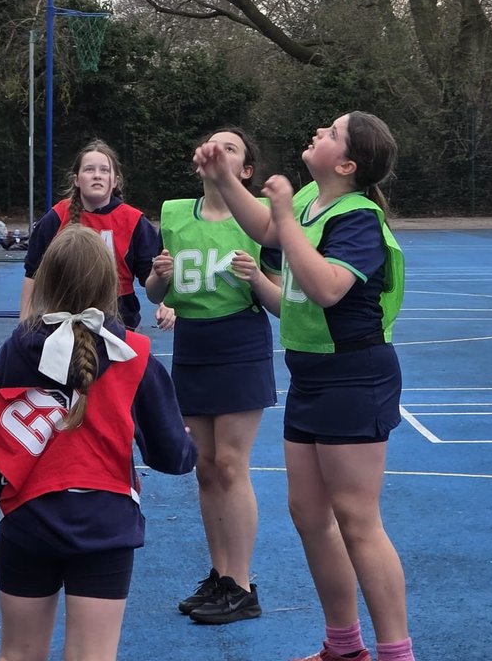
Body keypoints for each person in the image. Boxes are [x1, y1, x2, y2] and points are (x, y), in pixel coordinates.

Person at [194, 111, 414, 661]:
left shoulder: (358, 217)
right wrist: (224, 179)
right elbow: (266, 230)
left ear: (347, 164)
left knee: (358, 520)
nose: (318, 132)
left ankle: (397, 653)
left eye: (332, 133)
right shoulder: (315, 199)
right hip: (312, 375)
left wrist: (285, 213)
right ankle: (344, 647)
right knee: (310, 516)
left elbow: (326, 288)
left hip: (355, 376)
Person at [0, 224, 196, 661]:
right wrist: (188, 445)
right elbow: (172, 456)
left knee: (18, 653)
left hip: (29, 517)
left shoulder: (17, 348)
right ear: (111, 284)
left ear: (46, 281)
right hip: (105, 522)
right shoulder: (134, 354)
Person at [145, 126, 277, 625]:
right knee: (204, 466)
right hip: (193, 345)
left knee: (230, 462)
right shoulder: (175, 214)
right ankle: (220, 575)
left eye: (232, 147)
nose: (219, 150)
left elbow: (281, 303)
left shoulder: (260, 220)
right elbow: (157, 294)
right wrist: (158, 278)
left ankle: (241, 585)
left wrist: (257, 278)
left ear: (246, 169)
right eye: (213, 144)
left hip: (240, 343)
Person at [18, 140, 166, 329]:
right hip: (62, 322)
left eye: (104, 170)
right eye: (89, 169)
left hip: (118, 323)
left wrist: (166, 304)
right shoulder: (56, 217)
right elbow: (32, 274)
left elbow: (151, 277)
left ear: (115, 181)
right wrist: (24, 325)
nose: (97, 175)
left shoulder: (135, 221)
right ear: (76, 180)